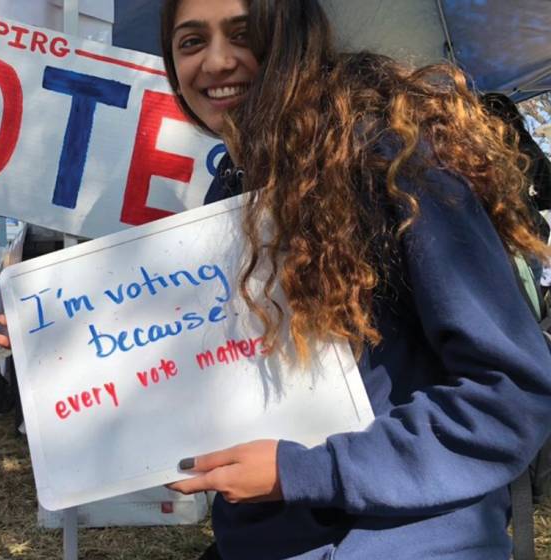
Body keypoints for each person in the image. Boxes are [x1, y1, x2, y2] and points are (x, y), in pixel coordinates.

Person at [158, 1, 551, 558]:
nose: (216, 61)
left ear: (294, 38)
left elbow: (509, 395)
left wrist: (305, 471)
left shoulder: (397, 161)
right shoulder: (229, 189)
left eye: (244, 34)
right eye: (190, 42)